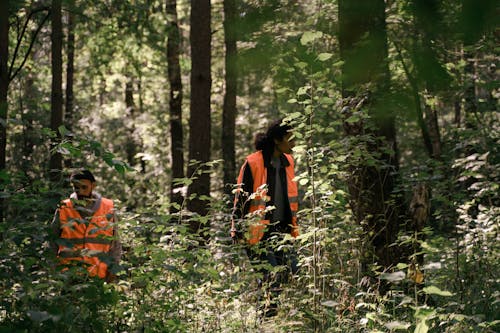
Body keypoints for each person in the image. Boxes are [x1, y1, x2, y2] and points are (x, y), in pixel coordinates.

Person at [231, 118, 299, 316]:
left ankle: (271, 315)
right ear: (278, 140)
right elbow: (241, 198)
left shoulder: (289, 162)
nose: (294, 143)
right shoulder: (253, 162)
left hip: (283, 230)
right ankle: (266, 320)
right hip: (257, 232)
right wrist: (236, 228)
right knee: (271, 280)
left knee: (293, 271)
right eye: (290, 138)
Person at [52, 169, 121, 282]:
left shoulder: (108, 207)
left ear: (93, 186)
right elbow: (52, 241)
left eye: (84, 187)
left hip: (99, 276)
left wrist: (113, 269)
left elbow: (115, 243)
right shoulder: (64, 207)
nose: (80, 192)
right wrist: (53, 269)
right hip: (68, 276)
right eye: (76, 187)